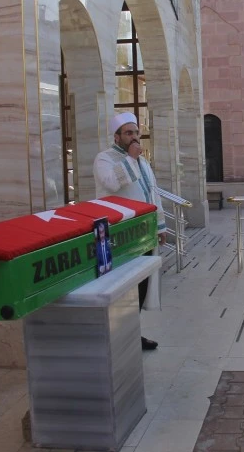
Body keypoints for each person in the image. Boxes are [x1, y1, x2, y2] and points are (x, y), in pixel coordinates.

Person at [93, 111, 166, 351]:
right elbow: (112, 183)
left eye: (136, 132)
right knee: (123, 287)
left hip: (144, 232)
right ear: (117, 137)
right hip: (119, 235)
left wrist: (160, 226)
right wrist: (131, 159)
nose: (134, 137)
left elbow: (152, 193)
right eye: (128, 133)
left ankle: (133, 334)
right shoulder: (105, 159)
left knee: (141, 284)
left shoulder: (142, 162)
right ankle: (119, 337)